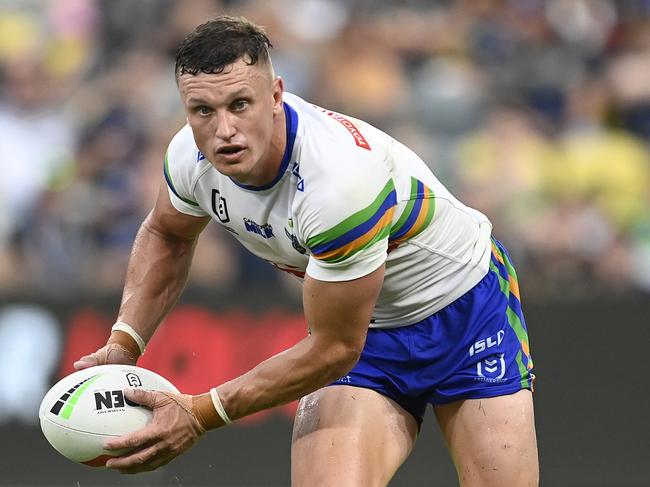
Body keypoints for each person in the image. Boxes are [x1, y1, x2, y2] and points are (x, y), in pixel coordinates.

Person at [74, 15, 539, 486]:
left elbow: (334, 349)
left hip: (465, 312)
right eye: (203, 111)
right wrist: (123, 343)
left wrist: (199, 413)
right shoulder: (188, 159)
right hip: (367, 333)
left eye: (240, 104)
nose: (224, 130)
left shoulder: (338, 184)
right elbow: (168, 234)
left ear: (275, 96)